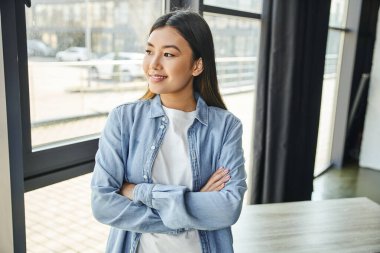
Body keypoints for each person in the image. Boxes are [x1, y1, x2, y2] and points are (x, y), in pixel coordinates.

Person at [91, 10, 247, 253]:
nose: (153, 64)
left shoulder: (226, 127)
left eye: (168, 54)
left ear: (197, 65)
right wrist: (192, 205)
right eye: (149, 51)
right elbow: (103, 204)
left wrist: (138, 191)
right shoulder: (124, 119)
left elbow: (227, 209)